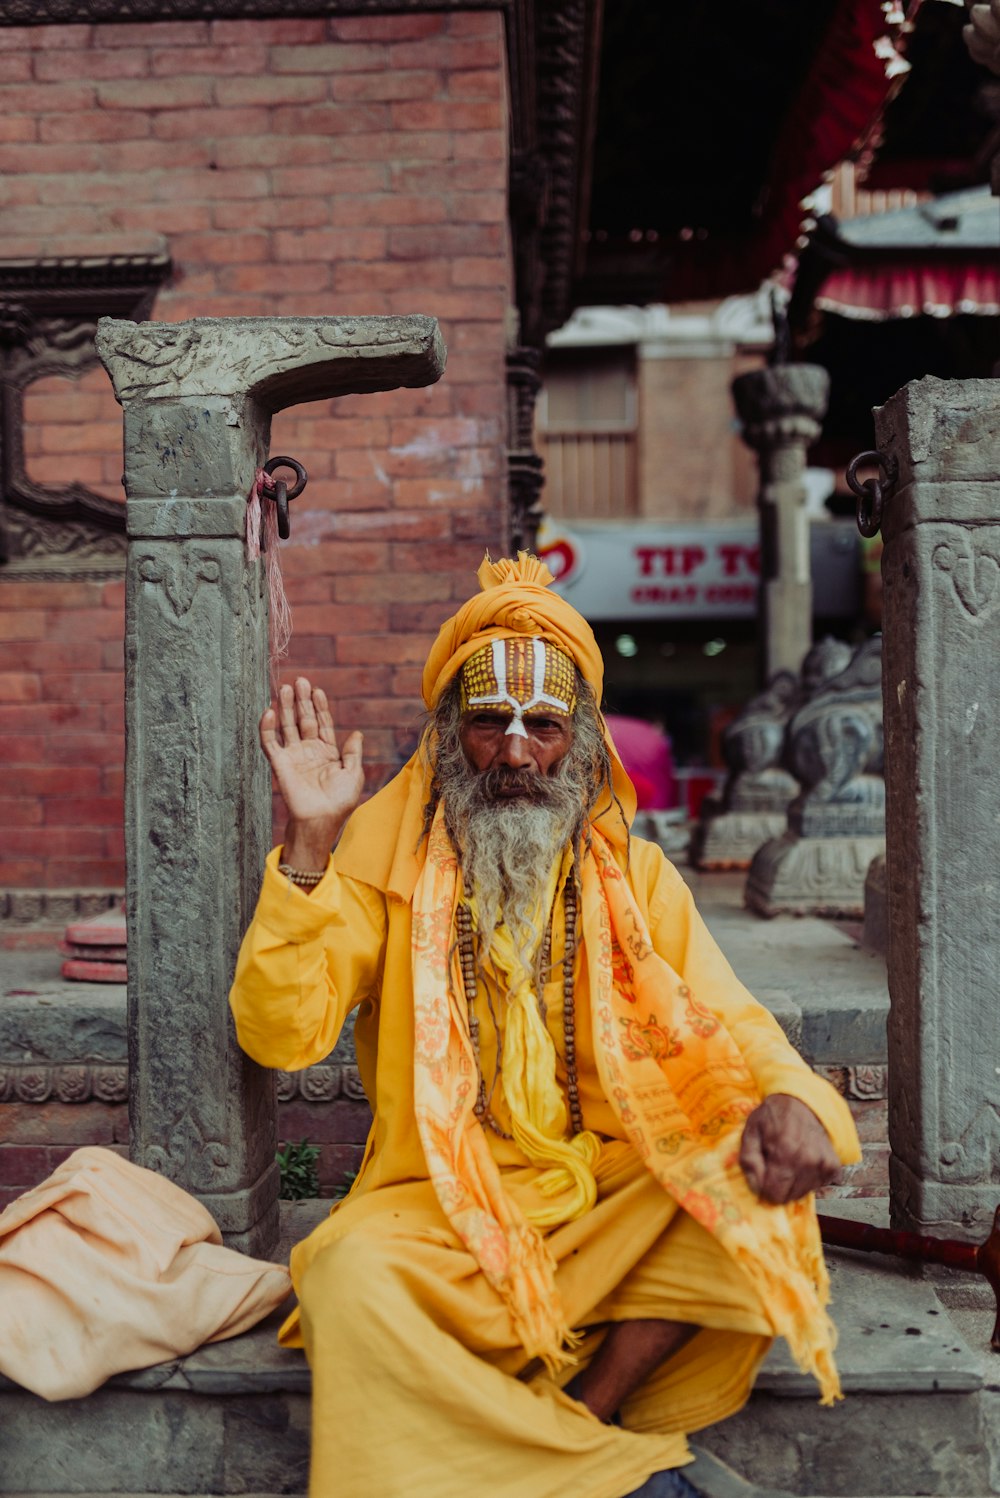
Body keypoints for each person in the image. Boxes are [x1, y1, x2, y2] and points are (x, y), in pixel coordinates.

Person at [229, 552, 860, 1498]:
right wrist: (313, 840)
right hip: (438, 1205)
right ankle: (605, 1473)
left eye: (545, 727)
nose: (517, 755)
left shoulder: (638, 880)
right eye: (489, 724)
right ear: (450, 736)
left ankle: (574, 1422)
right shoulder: (378, 860)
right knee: (350, 1277)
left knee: (753, 1188)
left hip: (607, 1191)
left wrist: (803, 1101)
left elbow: (734, 1020)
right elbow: (280, 1036)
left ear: (583, 744)